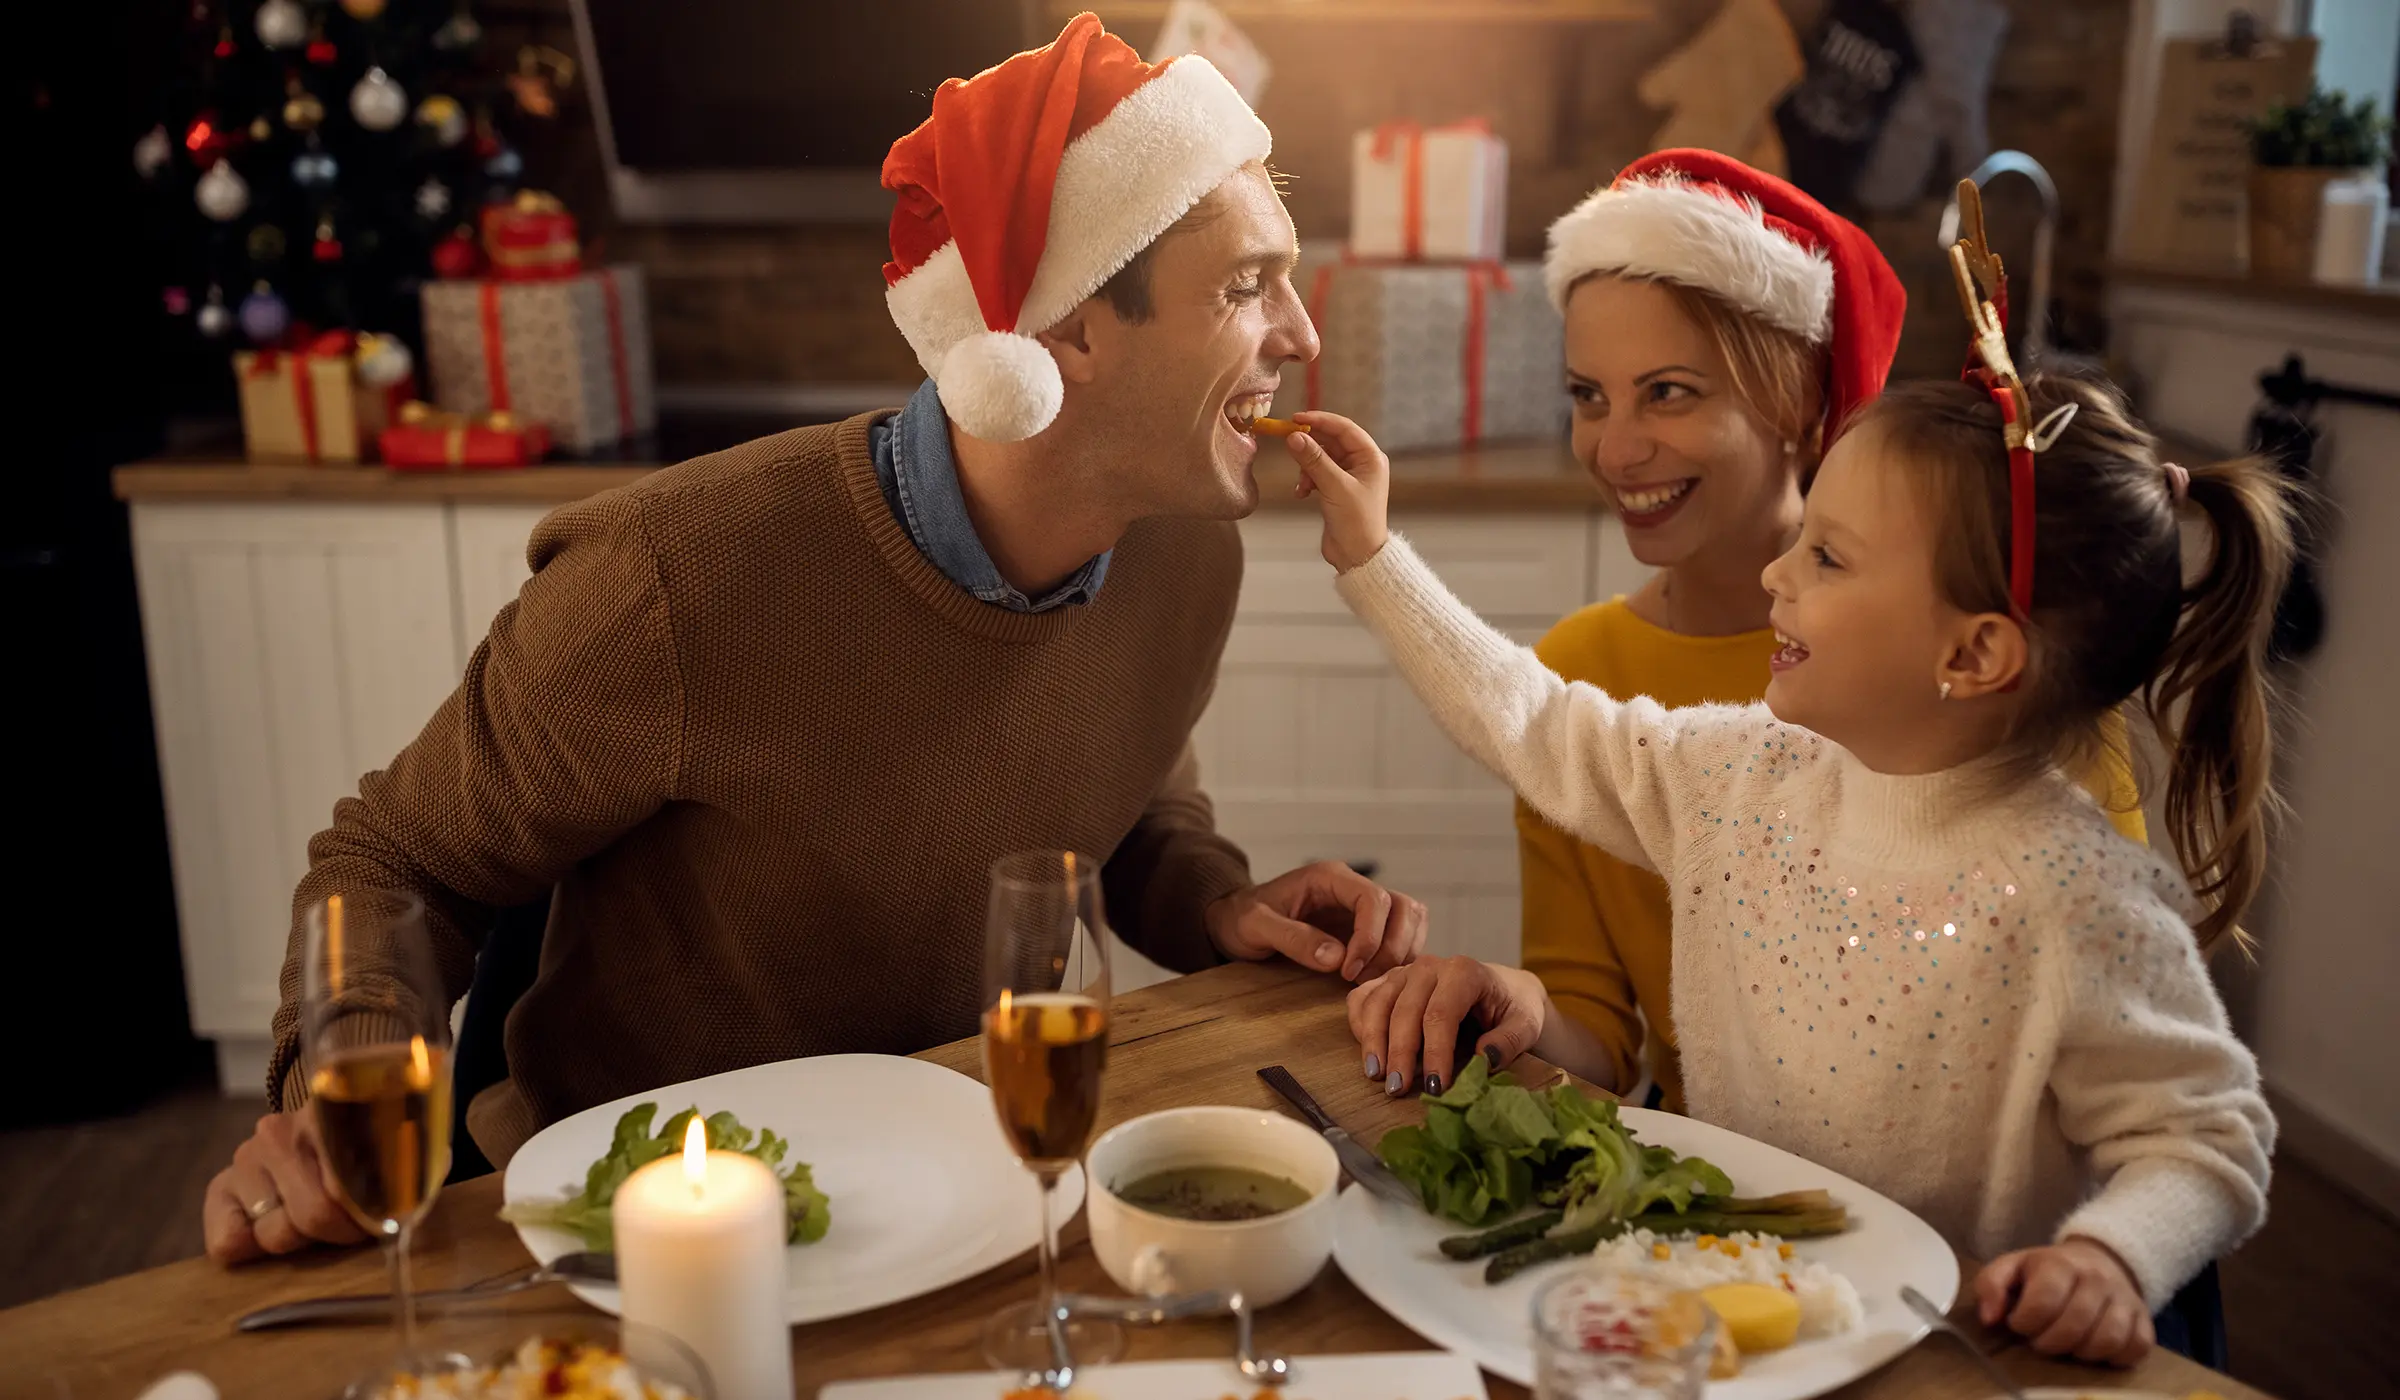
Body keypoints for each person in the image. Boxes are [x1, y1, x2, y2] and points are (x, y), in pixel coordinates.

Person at [201, 14, 1428, 1267]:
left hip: (970, 1191)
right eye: (1244, 285)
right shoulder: (676, 579)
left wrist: (1218, 902)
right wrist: (333, 1091)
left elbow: (1119, 789)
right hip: (631, 1233)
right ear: (1067, 332)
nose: (1301, 332)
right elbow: (394, 859)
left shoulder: (1185, 549)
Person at [1288, 353, 2285, 1365]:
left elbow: (2207, 1134)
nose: (1778, 572)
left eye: (1829, 558)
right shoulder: (1738, 778)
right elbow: (1537, 720)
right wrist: (1372, 554)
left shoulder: (2076, 897)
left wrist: (2112, 1258)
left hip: (1945, 1362)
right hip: (1733, 1325)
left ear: (1973, 654)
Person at [1511, 152, 2145, 1113]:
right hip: (1725, 1206)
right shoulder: (1578, 672)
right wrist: (1508, 1012)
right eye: (1588, 395)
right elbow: (1594, 1034)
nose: (1615, 445)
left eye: (1669, 392)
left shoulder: (1979, 658)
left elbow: (2115, 1021)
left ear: (1803, 406)